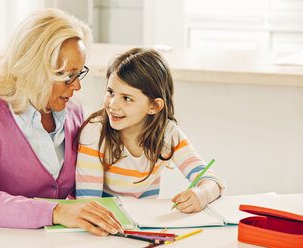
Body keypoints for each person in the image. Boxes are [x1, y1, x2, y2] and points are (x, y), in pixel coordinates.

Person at [0, 8, 124, 236]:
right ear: (34, 69)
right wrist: (56, 212)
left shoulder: (72, 111)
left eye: (79, 73)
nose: (76, 86)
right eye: (67, 75)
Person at [76, 48, 225, 213]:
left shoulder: (168, 134)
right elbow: (88, 204)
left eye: (126, 98)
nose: (113, 105)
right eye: (111, 92)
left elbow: (213, 182)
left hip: (144, 222)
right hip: (104, 222)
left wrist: (201, 194)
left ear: (154, 106)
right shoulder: (95, 134)